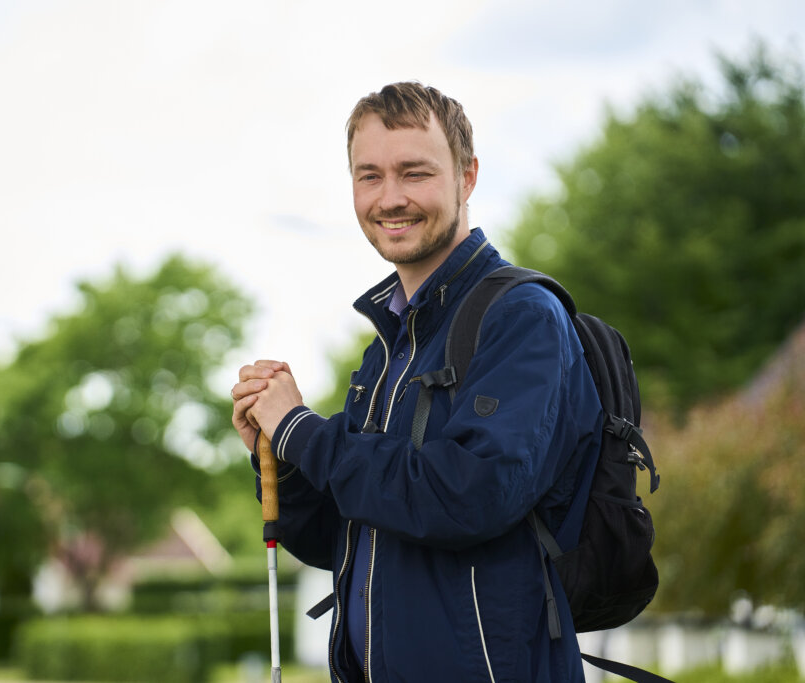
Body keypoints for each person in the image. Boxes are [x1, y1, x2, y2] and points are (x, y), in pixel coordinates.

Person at [231, 82, 601, 682]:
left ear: (467, 177)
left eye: (414, 173)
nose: (390, 197)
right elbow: (344, 539)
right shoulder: (388, 347)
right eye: (369, 175)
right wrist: (283, 460)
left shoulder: (522, 318)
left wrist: (302, 431)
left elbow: (469, 497)